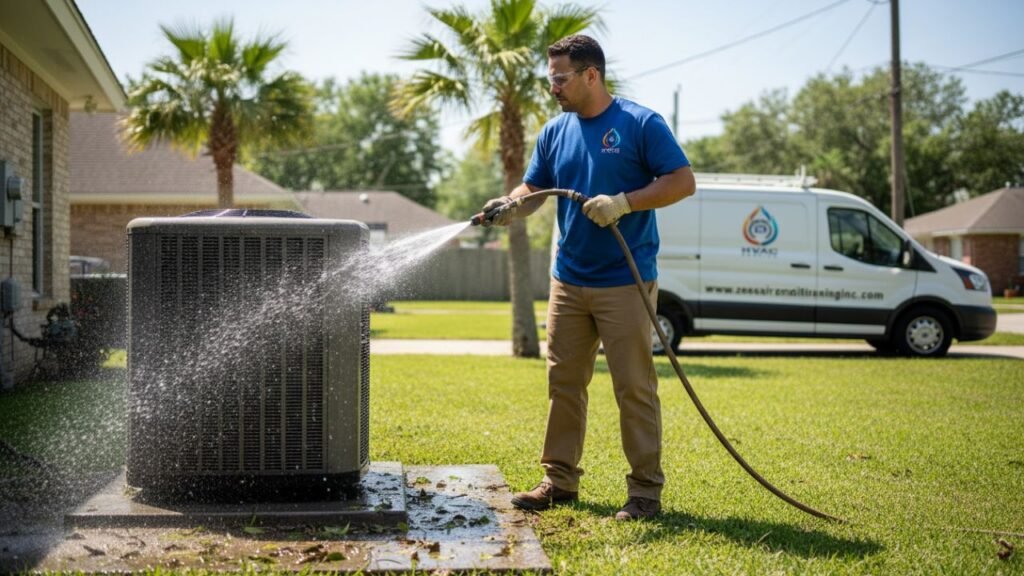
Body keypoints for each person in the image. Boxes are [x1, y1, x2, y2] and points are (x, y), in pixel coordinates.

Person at [480, 34, 695, 521]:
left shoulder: (640, 123)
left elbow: (682, 181)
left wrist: (625, 202)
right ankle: (559, 481)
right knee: (564, 383)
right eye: (550, 78)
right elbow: (536, 187)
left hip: (626, 281)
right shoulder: (555, 131)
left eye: (560, 78)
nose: (552, 87)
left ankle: (645, 493)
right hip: (569, 279)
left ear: (591, 75)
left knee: (633, 388)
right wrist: (511, 204)